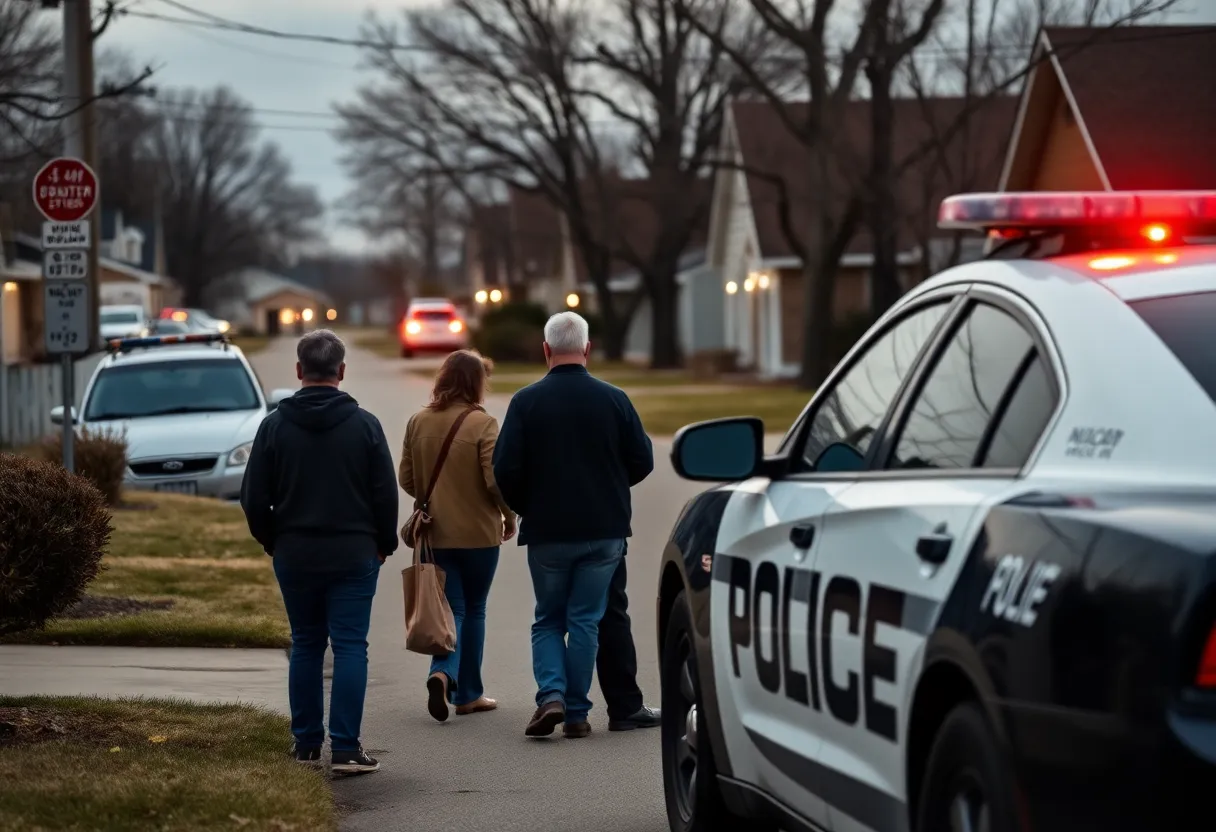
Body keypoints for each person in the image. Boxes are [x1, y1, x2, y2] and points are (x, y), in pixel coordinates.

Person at [492, 311, 659, 739]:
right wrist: (609, 487)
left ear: (545, 350)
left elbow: (505, 468)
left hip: (548, 529)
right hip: (604, 530)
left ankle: (552, 695)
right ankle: (579, 713)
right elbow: (642, 460)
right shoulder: (614, 399)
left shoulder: (526, 402)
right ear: (587, 349)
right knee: (587, 620)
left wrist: (527, 505)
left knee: (549, 619)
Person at [241, 330, 398, 776]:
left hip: (296, 551)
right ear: (341, 371)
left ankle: (307, 745)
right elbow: (384, 495)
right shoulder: (365, 425)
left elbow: (253, 497)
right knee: (350, 646)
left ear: (298, 371)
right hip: (354, 553)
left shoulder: (273, 427)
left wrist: (272, 539)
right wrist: (383, 543)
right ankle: (347, 748)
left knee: (307, 644)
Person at [399, 350, 516, 723]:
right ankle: (463, 689)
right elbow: (494, 480)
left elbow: (406, 478)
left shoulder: (418, 421)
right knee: (473, 609)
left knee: (451, 608)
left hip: (435, 534)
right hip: (479, 534)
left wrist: (431, 497)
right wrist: (508, 515)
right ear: (477, 383)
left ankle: (444, 673)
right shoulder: (483, 424)